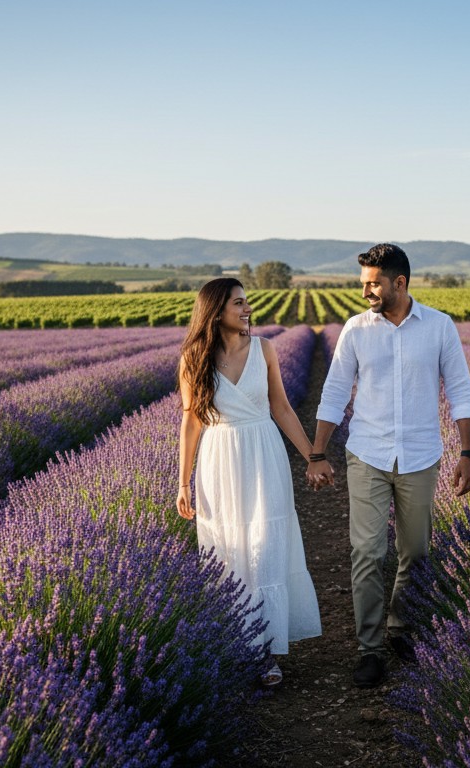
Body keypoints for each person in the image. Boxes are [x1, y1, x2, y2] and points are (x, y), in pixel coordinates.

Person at [306, 244, 470, 689]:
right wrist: (318, 452)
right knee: (367, 552)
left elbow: (460, 391)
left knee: (415, 552)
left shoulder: (439, 327)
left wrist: (468, 453)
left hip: (420, 456)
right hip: (368, 453)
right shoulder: (356, 330)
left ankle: (401, 628)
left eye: (373, 282)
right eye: (364, 282)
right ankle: (370, 648)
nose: (366, 290)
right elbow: (334, 390)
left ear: (399, 283)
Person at [176, 277, 322, 687]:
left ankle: (268, 651)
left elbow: (283, 408)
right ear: (215, 310)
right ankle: (236, 644)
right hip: (220, 459)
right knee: (227, 549)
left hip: (263, 454)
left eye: (246, 302)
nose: (247, 309)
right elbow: (191, 421)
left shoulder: (265, 349)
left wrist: (313, 455)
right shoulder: (193, 358)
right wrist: (183, 483)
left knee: (265, 543)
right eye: (238, 303)